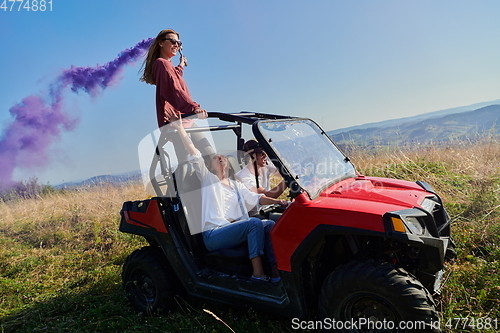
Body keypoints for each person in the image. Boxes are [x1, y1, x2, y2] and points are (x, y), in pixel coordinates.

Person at [168, 112, 288, 283]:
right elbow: (194, 153)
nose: (220, 158)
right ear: (209, 166)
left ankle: (276, 274)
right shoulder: (208, 180)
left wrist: (281, 202)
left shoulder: (236, 185)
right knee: (254, 224)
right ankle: (258, 275)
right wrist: (180, 129)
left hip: (232, 228)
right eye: (216, 159)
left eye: (223, 157)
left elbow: (257, 198)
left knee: (268, 224)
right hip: (214, 234)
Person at [140, 29, 213, 162]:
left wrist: (180, 65)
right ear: (161, 43)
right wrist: (193, 108)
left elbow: (174, 77)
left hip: (186, 119)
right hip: (177, 121)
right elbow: (173, 89)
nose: (177, 45)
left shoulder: (166, 65)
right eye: (173, 41)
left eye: (179, 43)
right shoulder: (161, 64)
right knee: (188, 163)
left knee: (210, 155)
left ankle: (218, 182)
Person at [236, 140, 286, 216]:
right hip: (258, 215)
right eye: (261, 153)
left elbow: (284, 172)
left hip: (270, 207)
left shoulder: (265, 166)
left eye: (266, 152)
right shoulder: (244, 177)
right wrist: (287, 181)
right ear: (251, 156)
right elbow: (268, 195)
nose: (266, 155)